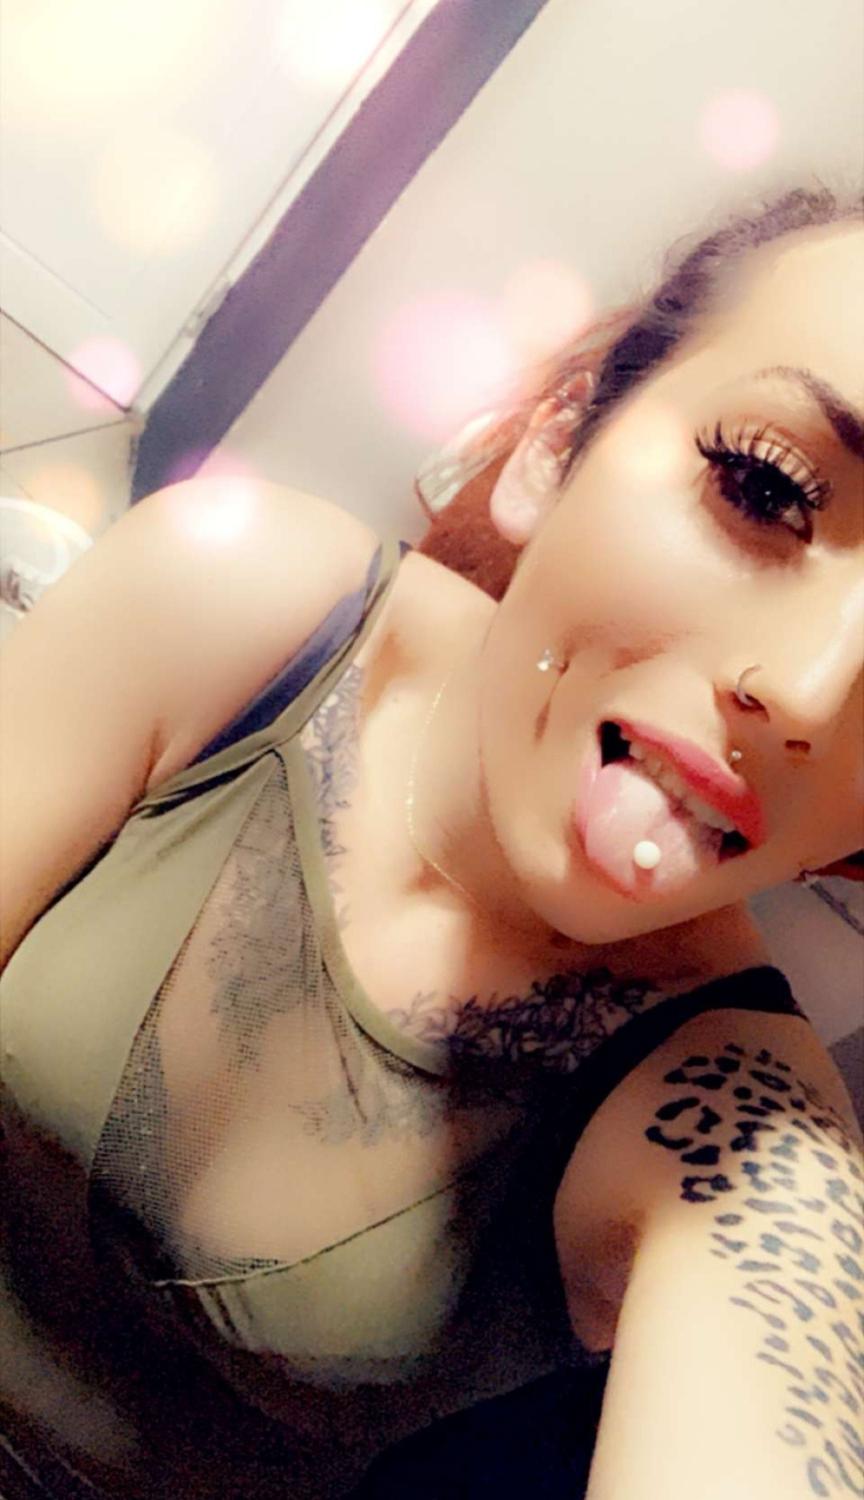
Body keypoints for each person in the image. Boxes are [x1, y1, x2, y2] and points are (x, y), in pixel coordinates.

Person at [0, 181, 862, 1500]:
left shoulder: (746, 1132)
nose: (806, 691)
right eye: (765, 486)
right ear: (558, 444)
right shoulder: (234, 596)